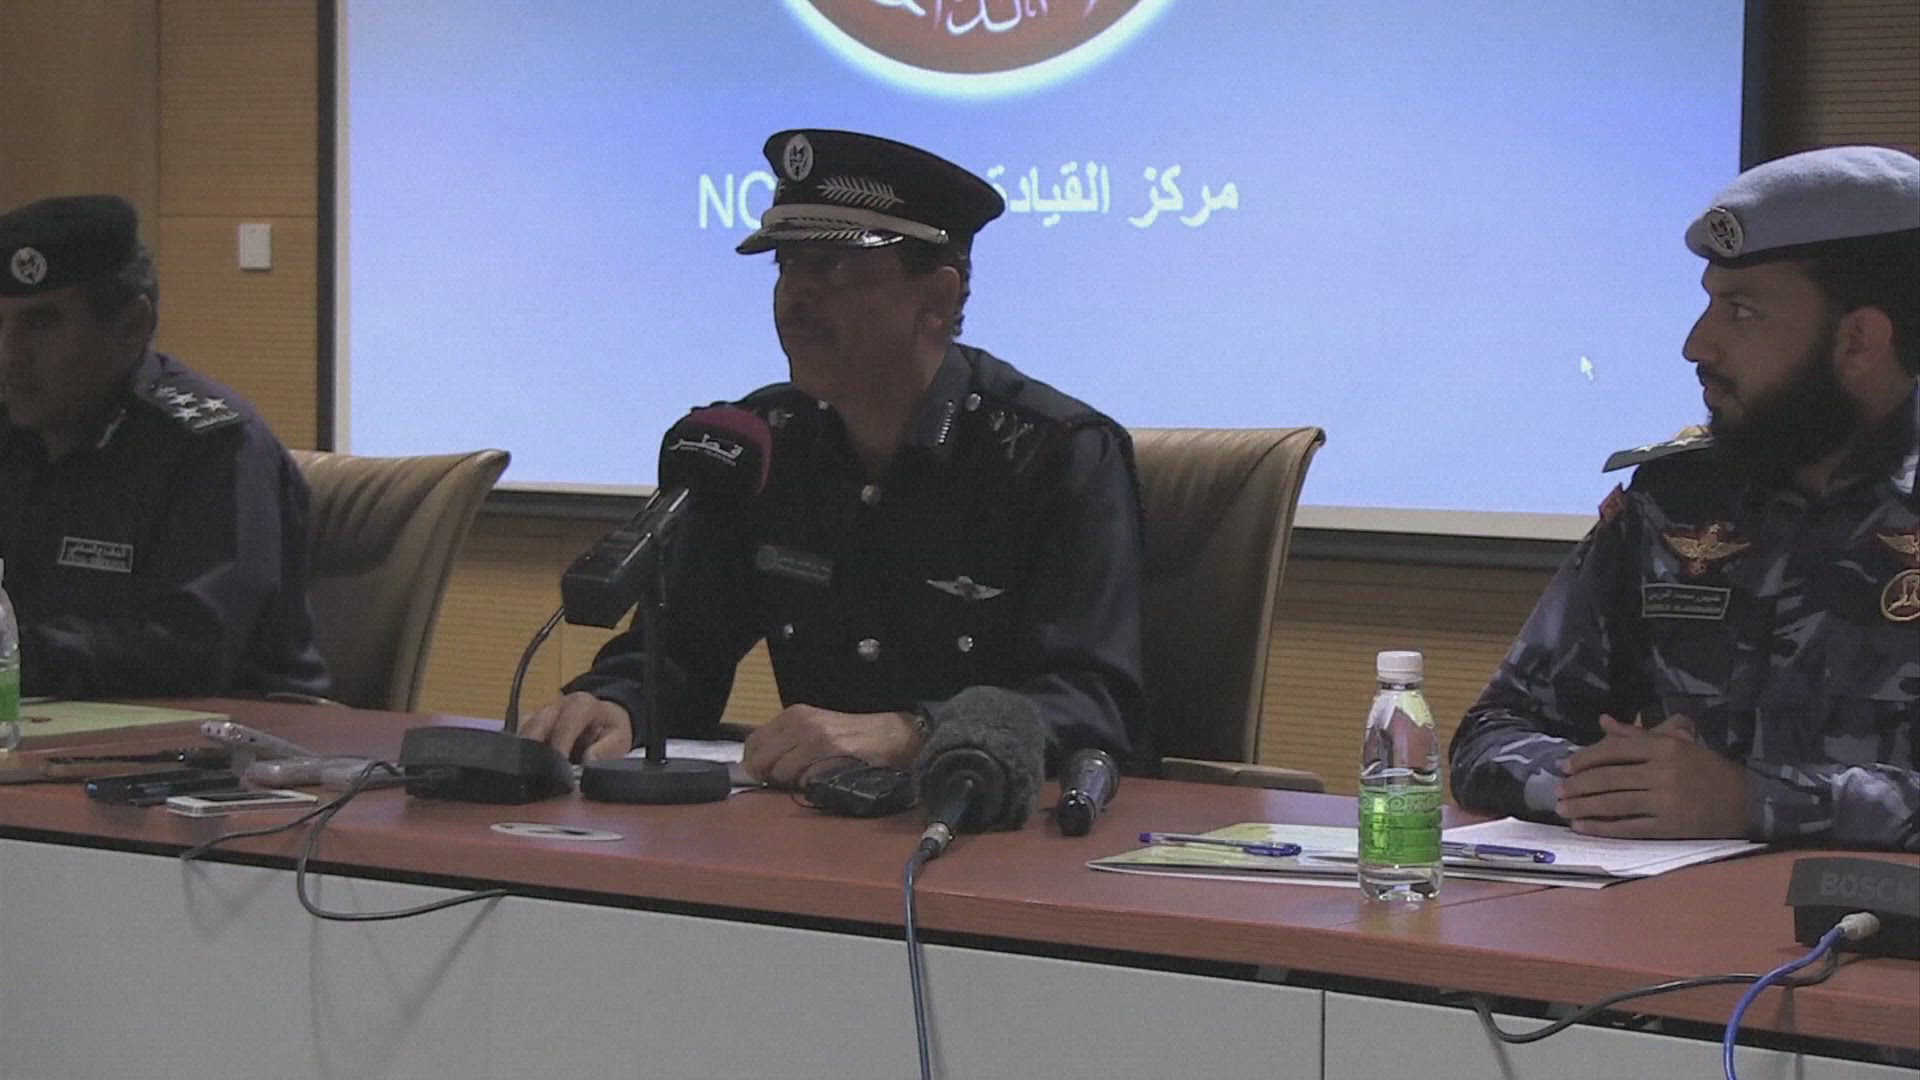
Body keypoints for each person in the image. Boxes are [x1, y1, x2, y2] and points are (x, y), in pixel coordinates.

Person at [522, 129, 1151, 786]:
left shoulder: (1055, 455)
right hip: (815, 820)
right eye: (786, 265)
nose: (795, 296)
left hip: (994, 825)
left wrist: (916, 734)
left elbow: (1097, 707)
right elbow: (681, 650)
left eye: (835, 268)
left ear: (936, 299)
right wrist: (619, 702)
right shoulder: (762, 444)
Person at [1451, 146, 1920, 851]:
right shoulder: (1679, 497)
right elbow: (1492, 734)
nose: (1697, 345)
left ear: (1858, 340)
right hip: (1670, 907)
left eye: (1741, 312)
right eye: (1708, 304)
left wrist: (1752, 801)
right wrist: (1610, 783)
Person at [0, 194, 331, 699]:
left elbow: (189, 648)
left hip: (218, 732)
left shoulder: (211, 447)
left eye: (42, 324)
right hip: (44, 720)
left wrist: (15, 655)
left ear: (131, 326)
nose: (9, 355)